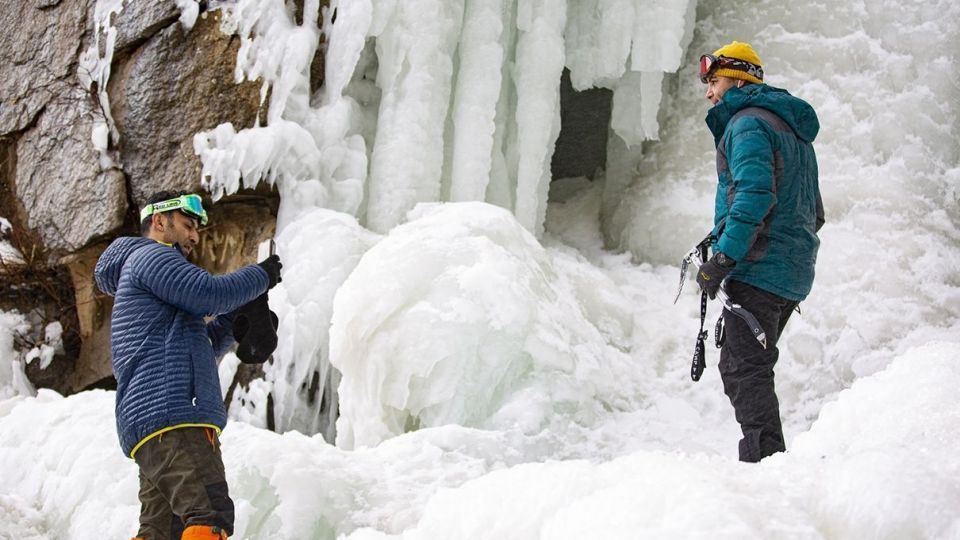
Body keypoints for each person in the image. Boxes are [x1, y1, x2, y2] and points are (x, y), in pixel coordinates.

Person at [94, 190, 283, 539]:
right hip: (175, 417)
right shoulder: (149, 256)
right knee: (208, 515)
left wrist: (232, 324)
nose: (195, 236)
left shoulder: (144, 279)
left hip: (156, 427)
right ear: (159, 221)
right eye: (187, 224)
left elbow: (195, 348)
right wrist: (262, 275)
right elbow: (208, 293)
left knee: (160, 532)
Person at [695, 41, 824, 462]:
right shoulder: (788, 129)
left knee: (742, 367)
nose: (709, 92)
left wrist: (725, 257)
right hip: (790, 269)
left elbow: (753, 195)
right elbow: (814, 211)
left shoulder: (748, 124)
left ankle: (766, 464)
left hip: (759, 267)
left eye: (713, 81)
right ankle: (767, 458)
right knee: (750, 365)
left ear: (738, 79)